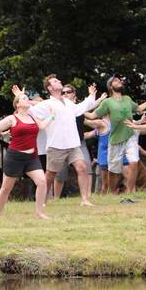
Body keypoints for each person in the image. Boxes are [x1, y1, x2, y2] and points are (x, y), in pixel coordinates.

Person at [21, 77, 99, 206]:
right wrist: (21, 98)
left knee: (82, 167)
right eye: (56, 81)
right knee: (50, 175)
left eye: (59, 80)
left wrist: (91, 96)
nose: (59, 82)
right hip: (56, 145)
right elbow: (31, 111)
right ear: (50, 88)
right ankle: (42, 201)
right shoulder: (47, 104)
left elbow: (80, 108)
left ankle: (84, 200)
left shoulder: (68, 103)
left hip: (73, 144)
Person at [0, 95, 52, 219]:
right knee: (6, 188)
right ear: (17, 104)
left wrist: (52, 116)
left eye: (27, 97)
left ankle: (39, 213)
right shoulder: (12, 118)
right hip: (15, 157)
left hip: (32, 157)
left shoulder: (33, 117)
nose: (27, 99)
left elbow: (42, 126)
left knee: (42, 182)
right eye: (24, 98)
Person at [85, 75, 146, 194]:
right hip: (115, 140)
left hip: (130, 137)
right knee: (113, 170)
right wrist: (78, 110)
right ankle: (112, 192)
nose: (120, 82)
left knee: (134, 162)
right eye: (116, 81)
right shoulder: (107, 102)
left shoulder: (127, 99)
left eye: (120, 80)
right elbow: (92, 116)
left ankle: (129, 193)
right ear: (110, 86)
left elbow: (139, 108)